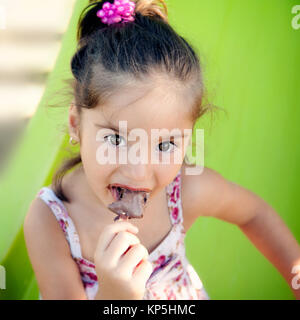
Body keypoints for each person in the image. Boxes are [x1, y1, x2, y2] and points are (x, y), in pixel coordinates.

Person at [24, 0, 300, 300]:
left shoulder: (185, 191)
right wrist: (114, 296)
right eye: (116, 140)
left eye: (165, 145)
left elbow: (253, 214)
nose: (138, 172)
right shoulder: (50, 220)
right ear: (76, 124)